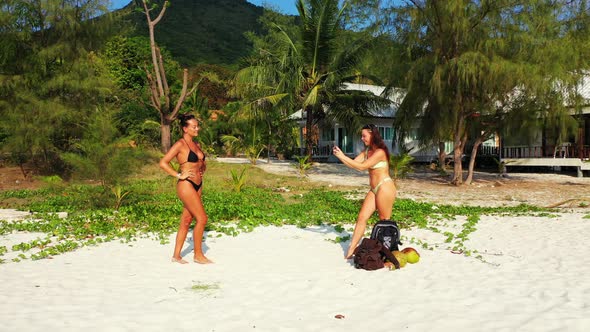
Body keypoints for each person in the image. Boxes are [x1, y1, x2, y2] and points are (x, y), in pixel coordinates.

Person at [332, 124, 396, 259]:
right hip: (374, 189)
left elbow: (362, 167)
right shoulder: (367, 152)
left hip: (384, 187)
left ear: (372, 135)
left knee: (384, 221)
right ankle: (351, 249)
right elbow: (354, 164)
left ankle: (387, 253)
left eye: (364, 136)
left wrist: (342, 156)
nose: (362, 138)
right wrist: (341, 156)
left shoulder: (380, 152)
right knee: (362, 217)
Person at [159, 113, 212, 264]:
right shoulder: (180, 145)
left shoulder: (197, 145)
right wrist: (178, 175)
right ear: (185, 128)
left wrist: (202, 169)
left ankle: (176, 256)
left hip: (198, 184)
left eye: (197, 126)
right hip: (186, 184)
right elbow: (163, 162)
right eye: (194, 126)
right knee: (202, 218)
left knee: (187, 220)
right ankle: (198, 255)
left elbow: (201, 163)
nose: (197, 128)